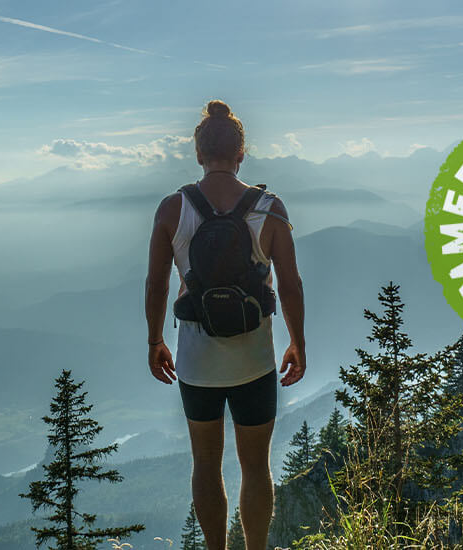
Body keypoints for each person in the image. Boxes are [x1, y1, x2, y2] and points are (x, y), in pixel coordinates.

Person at [144, 99, 307, 550]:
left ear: (198, 154)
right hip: (255, 359)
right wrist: (298, 342)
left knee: (206, 465)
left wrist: (156, 338)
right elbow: (290, 286)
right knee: (256, 467)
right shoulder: (270, 208)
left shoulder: (172, 209)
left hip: (197, 362)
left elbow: (156, 285)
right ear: (241, 153)